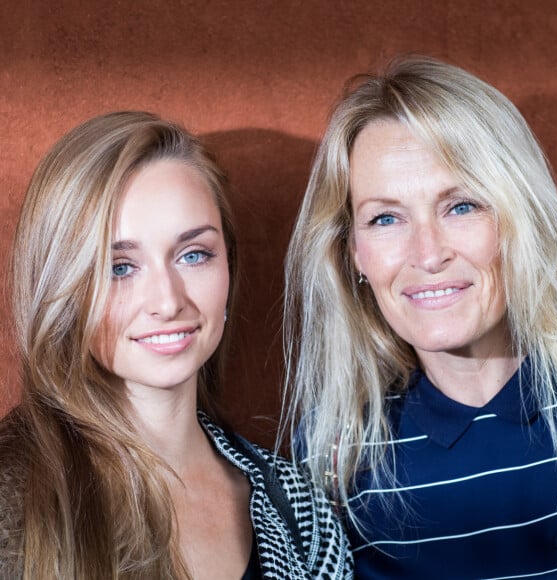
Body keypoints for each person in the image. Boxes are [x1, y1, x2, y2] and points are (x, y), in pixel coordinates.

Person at [0, 111, 352, 579]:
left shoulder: (300, 510)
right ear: (61, 288)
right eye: (118, 267)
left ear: (229, 264)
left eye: (193, 255)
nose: (167, 302)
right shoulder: (12, 491)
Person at [284, 55, 557, 578]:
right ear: (353, 252)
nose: (427, 253)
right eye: (385, 218)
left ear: (521, 216)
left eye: (461, 205)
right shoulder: (337, 449)